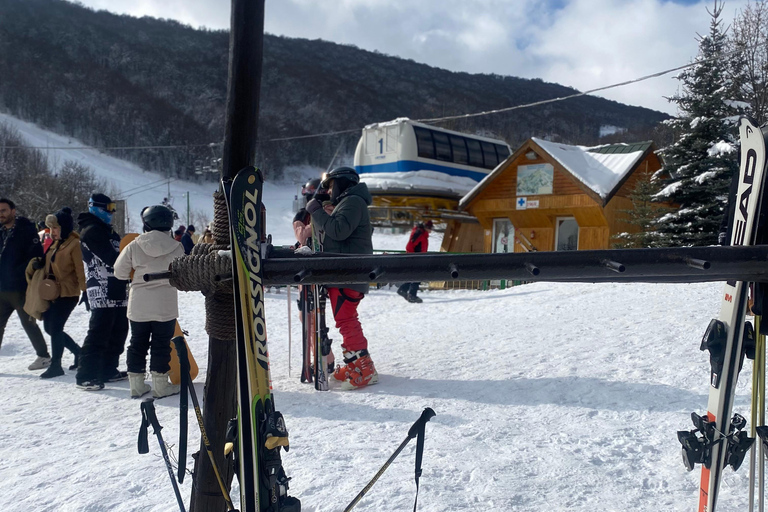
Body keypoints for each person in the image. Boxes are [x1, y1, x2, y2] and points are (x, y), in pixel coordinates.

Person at [305, 166, 377, 389]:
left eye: (331, 186)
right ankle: (358, 363)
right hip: (344, 272)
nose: (329, 191)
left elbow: (338, 231)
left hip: (348, 273)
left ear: (342, 183)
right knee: (345, 319)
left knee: (346, 320)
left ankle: (363, 370)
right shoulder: (349, 203)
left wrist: (316, 210)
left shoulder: (353, 202)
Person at [115, 205, 184, 398]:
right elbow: (184, 275)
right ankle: (161, 386)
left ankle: (137, 386)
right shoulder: (177, 246)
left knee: (137, 343)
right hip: (165, 305)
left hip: (139, 305)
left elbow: (119, 273)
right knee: (161, 344)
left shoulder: (134, 245)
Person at [75, 194, 129, 391]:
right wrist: (130, 261)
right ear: (95, 208)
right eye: (108, 207)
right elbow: (111, 258)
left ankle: (108, 368)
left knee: (119, 330)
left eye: (113, 207)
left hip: (116, 286)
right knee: (99, 332)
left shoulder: (107, 230)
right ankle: (86, 375)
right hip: (101, 289)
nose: (112, 212)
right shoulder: (92, 231)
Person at [27, 208, 85, 378]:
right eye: (51, 228)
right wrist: (35, 264)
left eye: (56, 228)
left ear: (64, 227)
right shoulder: (53, 243)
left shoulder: (74, 244)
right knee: (49, 328)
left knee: (56, 327)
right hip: (52, 292)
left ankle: (56, 365)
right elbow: (47, 264)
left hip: (68, 293)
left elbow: (80, 270)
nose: (52, 232)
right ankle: (78, 352)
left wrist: (85, 291)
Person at [0, 198, 51, 370]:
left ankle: (44, 356)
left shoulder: (26, 230)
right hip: (1, 288)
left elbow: (36, 257)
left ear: (13, 211)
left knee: (28, 322)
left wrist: (17, 272)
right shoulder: (0, 231)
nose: (1, 214)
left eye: (4, 210)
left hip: (20, 288)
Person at [397, 220, 433, 303]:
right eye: (430, 228)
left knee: (415, 276)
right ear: (426, 227)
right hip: (415, 258)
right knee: (417, 276)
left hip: (418, 258)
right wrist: (413, 257)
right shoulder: (419, 233)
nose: (431, 230)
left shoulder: (422, 234)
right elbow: (409, 246)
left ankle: (403, 290)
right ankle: (411, 295)